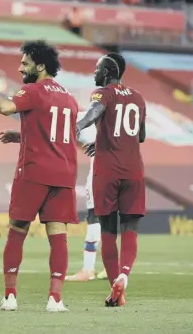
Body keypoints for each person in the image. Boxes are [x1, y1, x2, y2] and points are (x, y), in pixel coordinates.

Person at [0, 39, 79, 312]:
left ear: (40, 66)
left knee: (17, 231)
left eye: (25, 63)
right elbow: (59, 135)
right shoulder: (69, 97)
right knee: (58, 236)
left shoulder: (33, 90)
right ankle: (55, 299)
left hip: (34, 172)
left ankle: (10, 296)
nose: (20, 68)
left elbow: (4, 107)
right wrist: (23, 135)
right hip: (64, 174)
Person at [76, 52, 146, 307]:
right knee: (130, 229)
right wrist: (102, 140)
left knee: (107, 230)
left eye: (96, 69)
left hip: (107, 170)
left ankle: (115, 288)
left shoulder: (103, 93)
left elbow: (95, 111)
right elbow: (140, 137)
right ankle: (123, 278)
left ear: (105, 73)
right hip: (134, 170)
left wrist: (78, 126)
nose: (94, 74)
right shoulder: (138, 97)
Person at [65, 110, 107, 282]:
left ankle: (88, 269)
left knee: (94, 216)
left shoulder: (85, 118)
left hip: (100, 174)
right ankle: (112, 267)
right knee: (111, 220)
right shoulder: (120, 117)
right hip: (122, 174)